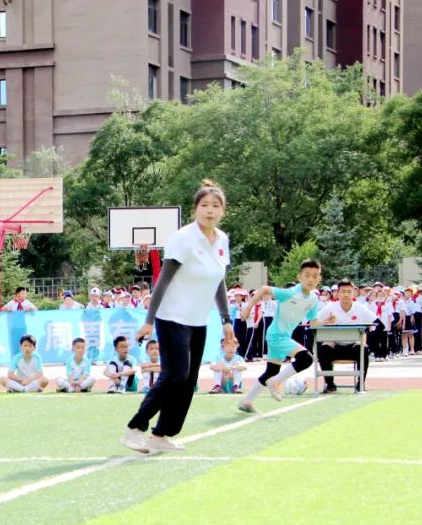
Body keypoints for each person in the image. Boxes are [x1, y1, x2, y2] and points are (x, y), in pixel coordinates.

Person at [123, 180, 235, 454]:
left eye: (215, 206)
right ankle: (134, 428)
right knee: (175, 375)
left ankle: (161, 434)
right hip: (172, 318)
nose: (210, 211)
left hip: (198, 321)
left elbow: (218, 280)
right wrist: (149, 320)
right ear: (195, 209)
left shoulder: (221, 240)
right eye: (204, 205)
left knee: (188, 382)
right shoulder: (183, 238)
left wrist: (226, 318)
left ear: (223, 211)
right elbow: (162, 281)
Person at [238, 259, 331, 413]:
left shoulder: (314, 300)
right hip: (276, 336)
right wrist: (248, 309)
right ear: (299, 277)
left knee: (271, 371)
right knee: (306, 358)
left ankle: (246, 402)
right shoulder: (290, 293)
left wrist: (326, 321)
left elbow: (313, 323)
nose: (311, 279)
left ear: (319, 279)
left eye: (315, 276)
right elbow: (263, 289)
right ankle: (275, 382)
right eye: (307, 275)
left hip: (284, 336)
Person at [314, 279, 376, 393]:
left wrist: (364, 339)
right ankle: (330, 384)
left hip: (354, 347)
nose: (346, 294)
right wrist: (326, 321)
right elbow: (313, 323)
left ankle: (360, 383)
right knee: (323, 349)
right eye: (343, 291)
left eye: (349, 291)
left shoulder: (360, 308)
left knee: (364, 348)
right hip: (335, 346)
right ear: (337, 293)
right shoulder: (330, 308)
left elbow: (377, 323)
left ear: (354, 293)